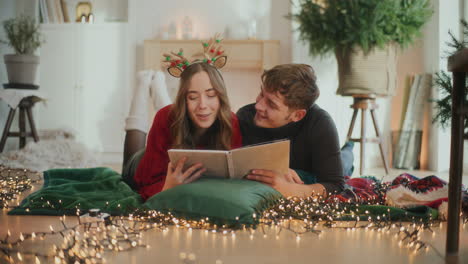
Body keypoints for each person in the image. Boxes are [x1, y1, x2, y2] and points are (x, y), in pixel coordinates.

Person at [123, 62, 242, 201]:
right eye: (192, 97)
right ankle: (142, 83)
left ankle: (158, 86)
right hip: (145, 165)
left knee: (173, 114)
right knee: (134, 150)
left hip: (173, 141)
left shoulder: (230, 121)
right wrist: (168, 187)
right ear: (184, 100)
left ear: (220, 97)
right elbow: (145, 184)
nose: (202, 105)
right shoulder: (164, 117)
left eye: (211, 95)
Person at [237, 64, 344, 198]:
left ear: (297, 115)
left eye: (271, 104)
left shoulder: (320, 123)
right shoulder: (245, 116)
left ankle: (348, 148)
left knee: (346, 161)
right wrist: (277, 170)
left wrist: (291, 190)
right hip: (290, 171)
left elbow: (335, 185)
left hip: (314, 170)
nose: (258, 105)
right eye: (261, 94)